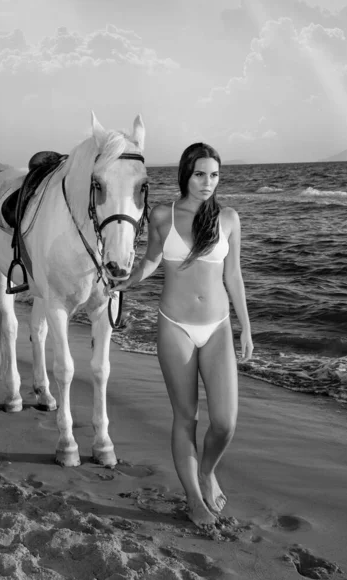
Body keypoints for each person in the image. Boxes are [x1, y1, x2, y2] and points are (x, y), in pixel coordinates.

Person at [115, 143, 254, 528]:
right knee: (186, 417)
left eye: (213, 175)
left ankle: (206, 472)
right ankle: (193, 498)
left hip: (218, 327)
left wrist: (245, 326)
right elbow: (152, 259)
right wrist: (126, 282)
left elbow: (233, 276)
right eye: (199, 174)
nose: (207, 182)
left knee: (225, 422)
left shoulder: (228, 218)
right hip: (175, 325)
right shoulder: (162, 214)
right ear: (185, 175)